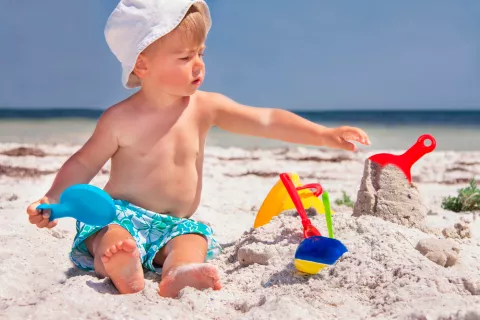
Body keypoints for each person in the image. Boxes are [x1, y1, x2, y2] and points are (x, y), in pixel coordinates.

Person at [26, 0, 370, 298]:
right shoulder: (120, 119)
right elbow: (83, 162)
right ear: (142, 65)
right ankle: (121, 267)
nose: (198, 64)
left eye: (201, 53)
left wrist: (323, 134)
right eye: (185, 56)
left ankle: (178, 272)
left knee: (193, 239)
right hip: (120, 214)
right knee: (110, 237)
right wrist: (54, 198)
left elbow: (265, 119)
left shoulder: (204, 107)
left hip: (173, 224)